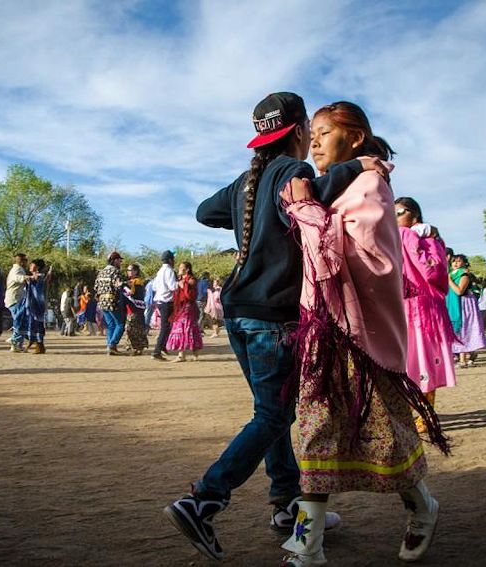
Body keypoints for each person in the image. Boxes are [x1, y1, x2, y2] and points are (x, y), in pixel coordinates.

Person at [164, 92, 386, 562]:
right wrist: (360, 164)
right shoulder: (291, 171)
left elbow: (205, 212)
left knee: (272, 413)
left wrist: (251, 210)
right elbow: (318, 195)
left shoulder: (249, 178)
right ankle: (203, 500)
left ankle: (286, 505)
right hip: (271, 316)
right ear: (300, 130)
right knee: (273, 416)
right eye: (313, 131)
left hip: (239, 311)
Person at [278, 101, 448, 566]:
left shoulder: (370, 186)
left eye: (324, 132)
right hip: (322, 330)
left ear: (354, 138)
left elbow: (374, 262)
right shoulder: (329, 189)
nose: (313, 142)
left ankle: (421, 507)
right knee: (315, 434)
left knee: (384, 436)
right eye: (310, 133)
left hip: (361, 338)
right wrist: (310, 209)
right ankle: (308, 545)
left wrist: (308, 213)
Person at [395, 196, 457, 432]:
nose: (395, 217)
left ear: (415, 215)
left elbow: (433, 272)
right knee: (409, 363)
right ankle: (417, 412)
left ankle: (424, 413)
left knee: (422, 363)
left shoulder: (420, 238)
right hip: (404, 308)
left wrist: (413, 235)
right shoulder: (427, 238)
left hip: (422, 309)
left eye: (399, 211)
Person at [448, 254, 486, 367]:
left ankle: (464, 359)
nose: (455, 263)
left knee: (465, 329)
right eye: (453, 261)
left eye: (458, 261)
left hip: (464, 305)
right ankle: (468, 355)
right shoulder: (451, 274)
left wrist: (449, 281)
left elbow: (459, 291)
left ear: (464, 263)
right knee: (459, 330)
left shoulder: (464, 274)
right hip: (453, 304)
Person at [166, 261, 203, 362]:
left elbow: (191, 296)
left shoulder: (191, 280)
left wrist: (183, 286)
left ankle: (185, 354)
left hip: (188, 308)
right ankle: (185, 354)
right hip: (180, 308)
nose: (179, 268)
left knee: (187, 328)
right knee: (182, 328)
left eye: (181, 267)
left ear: (187, 269)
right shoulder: (180, 280)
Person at [94, 251, 127, 355]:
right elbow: (119, 286)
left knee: (110, 325)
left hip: (102, 302)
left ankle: (110, 346)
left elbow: (95, 287)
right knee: (120, 324)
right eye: (119, 260)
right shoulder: (116, 272)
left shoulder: (101, 272)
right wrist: (126, 283)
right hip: (112, 301)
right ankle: (112, 344)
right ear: (115, 260)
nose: (120, 263)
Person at [151, 250, 177, 360]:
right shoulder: (169, 271)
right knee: (165, 327)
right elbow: (173, 287)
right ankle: (157, 351)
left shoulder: (160, 271)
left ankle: (163, 346)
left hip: (160, 301)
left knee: (166, 326)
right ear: (170, 260)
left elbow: (154, 287)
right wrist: (179, 283)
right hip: (167, 302)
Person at [23, 259, 50, 354]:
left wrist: (29, 279)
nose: (30, 266)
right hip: (33, 305)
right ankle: (36, 344)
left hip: (37, 305)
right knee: (34, 324)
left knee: (37, 325)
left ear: (37, 267)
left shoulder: (40, 277)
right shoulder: (36, 277)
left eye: (32, 265)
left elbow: (36, 280)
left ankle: (39, 345)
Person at [123, 263, 149, 355]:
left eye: (130, 270)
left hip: (136, 309)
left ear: (136, 271)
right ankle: (135, 348)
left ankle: (138, 348)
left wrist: (123, 285)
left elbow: (131, 293)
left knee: (134, 328)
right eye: (128, 270)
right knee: (132, 328)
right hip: (131, 309)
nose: (128, 272)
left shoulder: (137, 281)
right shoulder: (131, 282)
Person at [5, 253, 29, 353]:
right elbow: (17, 277)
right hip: (15, 299)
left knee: (22, 321)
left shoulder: (19, 269)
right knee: (19, 319)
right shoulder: (17, 269)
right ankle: (14, 339)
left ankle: (17, 345)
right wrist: (28, 278)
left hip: (17, 298)